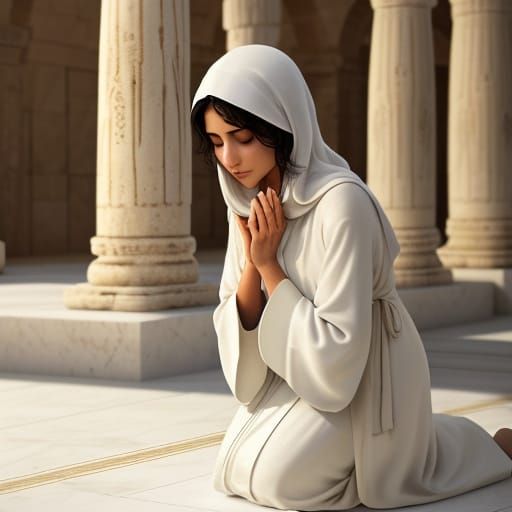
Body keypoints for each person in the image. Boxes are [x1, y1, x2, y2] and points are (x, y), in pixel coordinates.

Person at [190, 44, 512, 511]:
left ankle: (463, 446)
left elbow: (340, 355)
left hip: (364, 372)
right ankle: (414, 439)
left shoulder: (342, 203)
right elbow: (242, 347)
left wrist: (270, 267)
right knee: (236, 470)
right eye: (217, 143)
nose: (230, 158)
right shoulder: (246, 203)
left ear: (281, 125)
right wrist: (252, 261)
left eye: (241, 137)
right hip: (297, 368)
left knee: (283, 481)